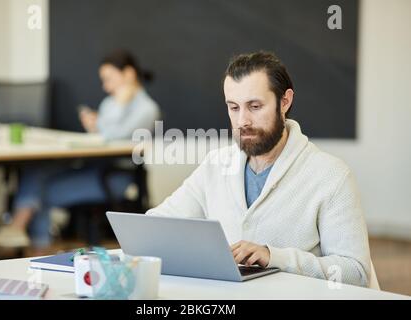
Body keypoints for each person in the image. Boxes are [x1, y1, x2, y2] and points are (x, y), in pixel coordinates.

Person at [146, 50, 372, 287]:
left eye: (254, 106)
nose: (242, 121)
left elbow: (355, 272)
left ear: (285, 101)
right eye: (233, 108)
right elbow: (157, 225)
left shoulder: (331, 175)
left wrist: (274, 257)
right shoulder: (216, 165)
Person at [0, 49, 161, 249]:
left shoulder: (146, 108)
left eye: (109, 79)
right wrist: (96, 125)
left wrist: (118, 106)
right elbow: (103, 135)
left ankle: (36, 247)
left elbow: (115, 136)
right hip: (91, 167)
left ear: (128, 74)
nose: (105, 86)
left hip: (115, 176)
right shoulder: (110, 102)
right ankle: (25, 238)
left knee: (42, 193)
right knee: (36, 172)